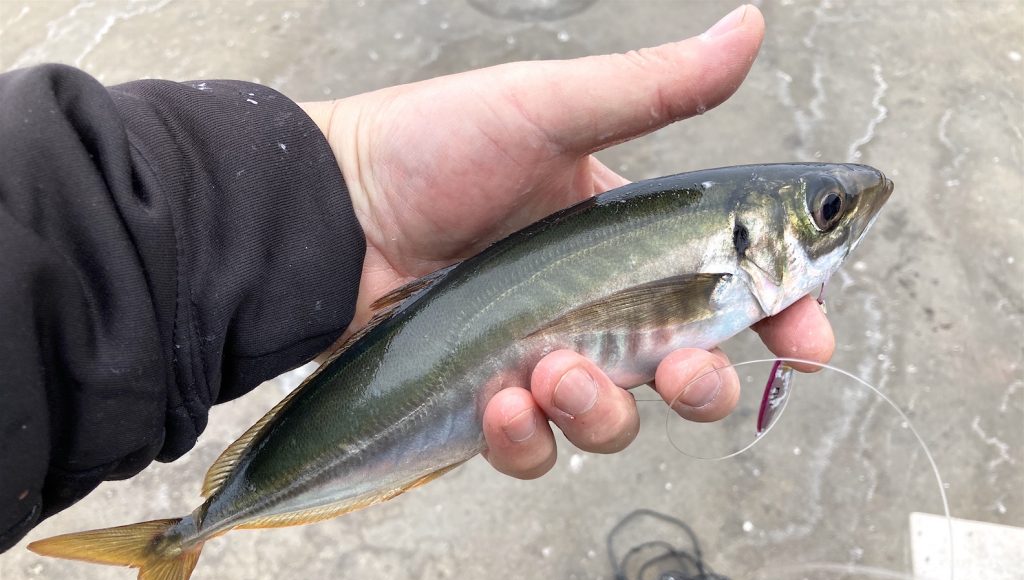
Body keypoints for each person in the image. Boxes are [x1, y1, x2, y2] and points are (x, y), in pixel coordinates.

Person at [0, 4, 832, 552]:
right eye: (827, 212)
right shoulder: (726, 243)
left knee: (521, 408)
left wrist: (332, 187)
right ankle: (188, 536)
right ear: (753, 235)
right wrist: (345, 188)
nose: (840, 222)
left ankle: (193, 531)